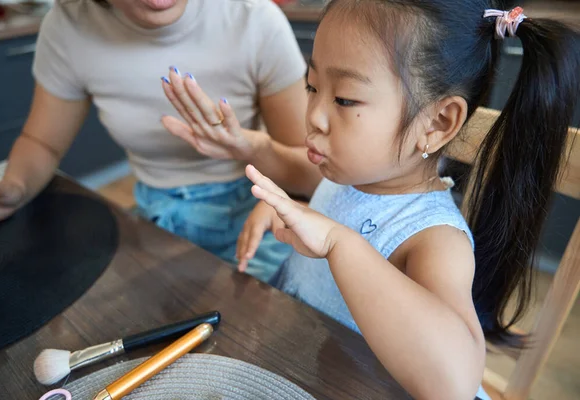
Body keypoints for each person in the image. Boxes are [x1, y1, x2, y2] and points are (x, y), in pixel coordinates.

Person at [226, 1, 577, 399]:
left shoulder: (432, 240)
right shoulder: (351, 177)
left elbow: (454, 383)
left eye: (343, 99)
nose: (314, 116)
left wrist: (340, 243)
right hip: (308, 366)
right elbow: (337, 214)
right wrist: (294, 214)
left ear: (436, 123)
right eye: (312, 86)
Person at [0, 0, 320, 282]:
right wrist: (14, 188)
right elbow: (42, 142)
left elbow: (311, 175)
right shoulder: (70, 26)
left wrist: (252, 147)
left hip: (256, 222)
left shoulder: (253, 19)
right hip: (154, 220)